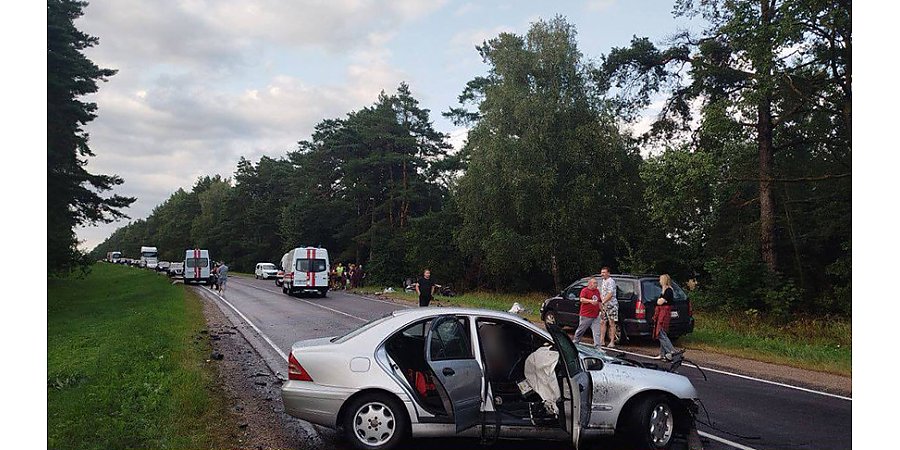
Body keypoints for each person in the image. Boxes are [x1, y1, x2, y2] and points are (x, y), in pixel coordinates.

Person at [654, 274, 684, 361]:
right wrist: (661, 300)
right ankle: (662, 354)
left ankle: (671, 351)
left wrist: (661, 300)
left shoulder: (668, 291)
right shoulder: (663, 291)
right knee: (662, 333)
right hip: (661, 312)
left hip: (664, 313)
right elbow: (659, 301)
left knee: (661, 333)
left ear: (663, 280)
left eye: (660, 279)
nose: (659, 281)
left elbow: (660, 302)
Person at [573, 277, 603, 348]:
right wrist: (590, 301)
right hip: (586, 315)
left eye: (596, 283)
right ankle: (575, 342)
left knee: (597, 332)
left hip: (595, 315)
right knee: (581, 330)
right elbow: (582, 299)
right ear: (589, 284)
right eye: (594, 283)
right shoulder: (585, 290)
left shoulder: (597, 291)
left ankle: (597, 346)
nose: (596, 284)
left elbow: (599, 302)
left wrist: (602, 311)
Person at [598, 267, 618, 348]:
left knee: (611, 323)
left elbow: (610, 294)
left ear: (608, 273)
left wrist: (603, 301)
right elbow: (601, 292)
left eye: (604, 272)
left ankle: (612, 341)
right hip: (604, 305)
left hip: (611, 305)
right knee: (602, 322)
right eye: (602, 272)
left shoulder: (611, 281)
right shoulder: (603, 281)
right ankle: (602, 340)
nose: (602, 274)